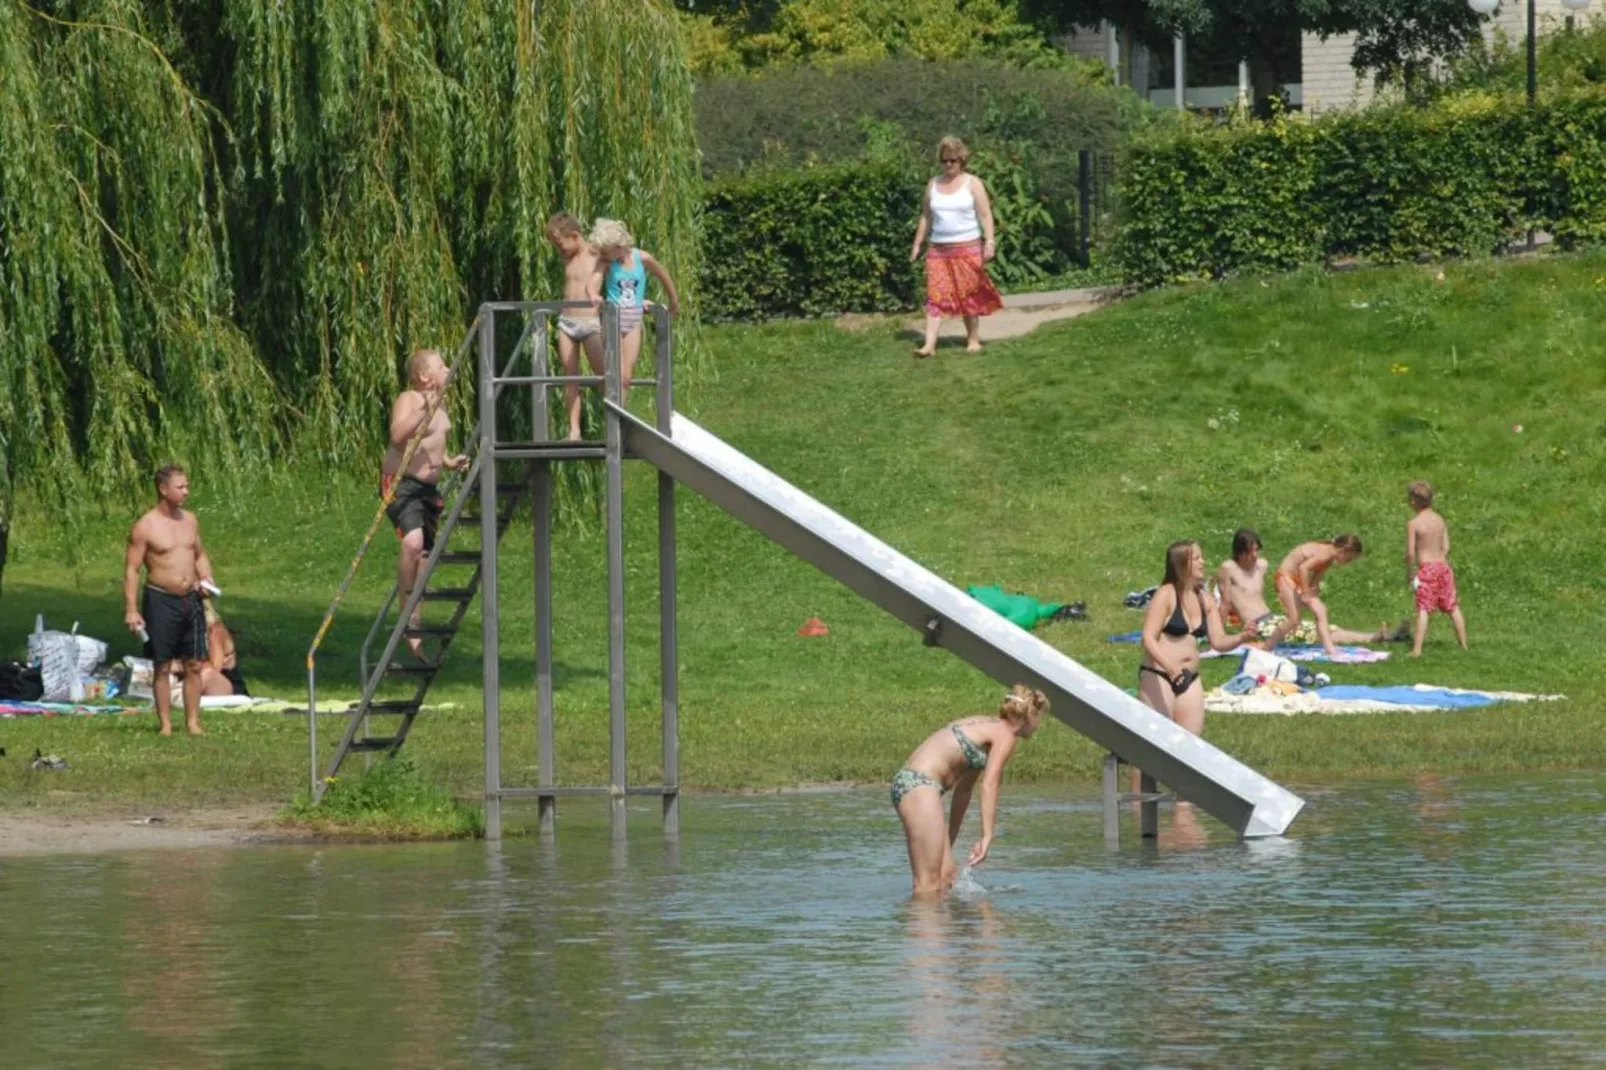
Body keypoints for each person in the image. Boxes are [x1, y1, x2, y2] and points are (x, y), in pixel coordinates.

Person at [892, 685, 1049, 897]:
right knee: (927, 886)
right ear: (1029, 716)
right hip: (920, 786)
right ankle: (924, 926)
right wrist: (987, 836)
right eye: (1040, 718)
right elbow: (990, 784)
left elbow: (963, 792)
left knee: (947, 875)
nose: (1039, 726)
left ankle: (943, 928)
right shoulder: (1005, 735)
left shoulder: (986, 729)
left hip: (918, 787)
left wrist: (948, 841)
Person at [382, 349, 468, 658]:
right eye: (440, 366)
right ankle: (408, 615)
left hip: (428, 489)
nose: (447, 369)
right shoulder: (409, 399)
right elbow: (397, 435)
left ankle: (415, 621)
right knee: (413, 544)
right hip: (402, 482)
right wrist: (423, 410)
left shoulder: (441, 403)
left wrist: (447, 460)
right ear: (423, 377)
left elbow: (432, 442)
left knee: (425, 558)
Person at [123, 465, 216, 736]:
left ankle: (192, 723)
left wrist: (206, 577)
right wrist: (131, 609)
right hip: (161, 600)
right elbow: (131, 569)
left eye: (187, 486)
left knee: (194, 664)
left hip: (191, 599)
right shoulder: (145, 526)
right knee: (162, 665)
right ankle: (165, 724)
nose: (186, 491)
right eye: (180, 487)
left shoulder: (190, 520)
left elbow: (198, 553)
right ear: (163, 489)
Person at [1139, 540, 1254, 739]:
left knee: (1189, 746)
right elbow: (1148, 638)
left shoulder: (1205, 599)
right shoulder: (1165, 595)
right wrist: (1169, 667)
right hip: (1159, 675)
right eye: (1197, 558)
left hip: (1190, 679)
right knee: (1155, 743)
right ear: (1181, 563)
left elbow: (1218, 641)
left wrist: (1241, 637)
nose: (1203, 562)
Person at [1216, 529, 1392, 648]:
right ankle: (1373, 638)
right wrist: (1220, 636)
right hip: (1258, 626)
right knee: (1312, 632)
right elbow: (1225, 603)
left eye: (1257, 550)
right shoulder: (1228, 569)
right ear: (1240, 552)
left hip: (1272, 619)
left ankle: (1374, 636)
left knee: (1321, 626)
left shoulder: (1261, 566)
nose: (1256, 556)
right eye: (1251, 551)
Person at [909, 136, 1002, 358]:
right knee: (935, 295)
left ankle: (973, 339)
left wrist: (989, 241)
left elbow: (985, 215)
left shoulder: (973, 183)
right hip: (939, 250)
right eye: (944, 161)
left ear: (961, 160)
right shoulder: (933, 184)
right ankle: (929, 345)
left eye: (953, 160)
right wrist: (917, 244)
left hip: (967, 248)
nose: (948, 165)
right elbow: (926, 217)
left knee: (969, 294)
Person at [586, 218, 681, 402]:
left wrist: (673, 301)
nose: (602, 254)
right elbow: (593, 282)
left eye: (606, 251)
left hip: (634, 320)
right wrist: (593, 295)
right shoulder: (606, 262)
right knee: (616, 374)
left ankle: (620, 414)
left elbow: (663, 275)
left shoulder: (641, 258)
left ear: (618, 246)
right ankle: (616, 416)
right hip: (613, 319)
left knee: (626, 378)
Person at [1267, 534, 1388, 658]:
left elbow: (1317, 573)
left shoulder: (1329, 558)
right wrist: (1305, 592)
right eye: (1349, 559)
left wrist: (1314, 587)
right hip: (1285, 577)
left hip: (1296, 580)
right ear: (1344, 551)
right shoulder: (1326, 553)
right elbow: (1304, 568)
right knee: (1294, 619)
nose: (1347, 563)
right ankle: (1267, 646)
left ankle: (1330, 649)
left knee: (1321, 610)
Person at [545, 212, 605, 441]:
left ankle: (620, 424)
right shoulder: (567, 258)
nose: (558, 248)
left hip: (589, 322)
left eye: (560, 243)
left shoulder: (596, 254)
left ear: (575, 235)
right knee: (570, 377)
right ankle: (574, 431)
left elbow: (623, 265)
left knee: (603, 376)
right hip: (567, 323)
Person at [1405, 481, 1468, 656]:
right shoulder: (1440, 519)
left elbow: (1410, 553)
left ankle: (1417, 649)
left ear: (1413, 501)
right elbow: (1446, 545)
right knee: (1452, 606)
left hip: (1427, 568)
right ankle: (1463, 645)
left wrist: (1410, 572)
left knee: (1424, 608)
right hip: (1443, 566)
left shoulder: (1414, 523)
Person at [199, 600, 248, 697]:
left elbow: (215, 667)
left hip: (228, 685)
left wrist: (182, 666)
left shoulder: (214, 630)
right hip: (196, 678)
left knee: (206, 676)